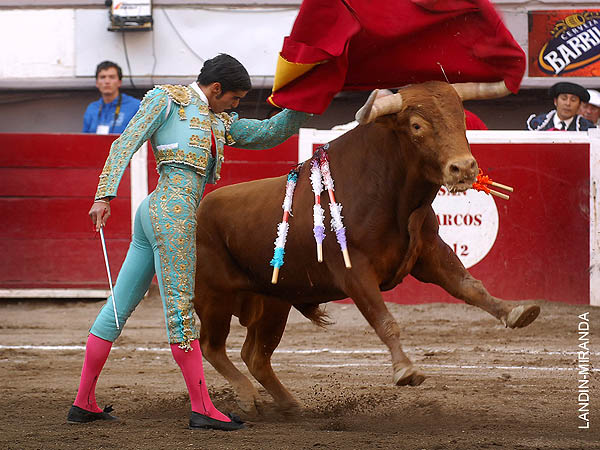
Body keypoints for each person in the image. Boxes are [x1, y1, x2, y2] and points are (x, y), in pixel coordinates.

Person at [67, 54, 311, 430]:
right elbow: (126, 143)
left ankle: (83, 401)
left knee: (118, 306)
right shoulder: (165, 99)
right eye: (233, 99)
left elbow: (268, 134)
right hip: (173, 215)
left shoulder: (217, 118)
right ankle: (202, 408)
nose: (235, 106)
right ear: (216, 89)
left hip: (157, 210)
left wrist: (307, 101)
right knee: (180, 313)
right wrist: (104, 195)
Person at [82, 61, 141, 134]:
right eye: (102, 77)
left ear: (119, 82)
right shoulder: (92, 108)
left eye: (112, 77)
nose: (107, 81)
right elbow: (85, 140)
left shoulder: (135, 106)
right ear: (97, 83)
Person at [526, 82, 595, 131]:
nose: (568, 103)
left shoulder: (587, 128)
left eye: (573, 100)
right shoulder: (537, 123)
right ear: (555, 101)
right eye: (564, 99)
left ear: (579, 105)